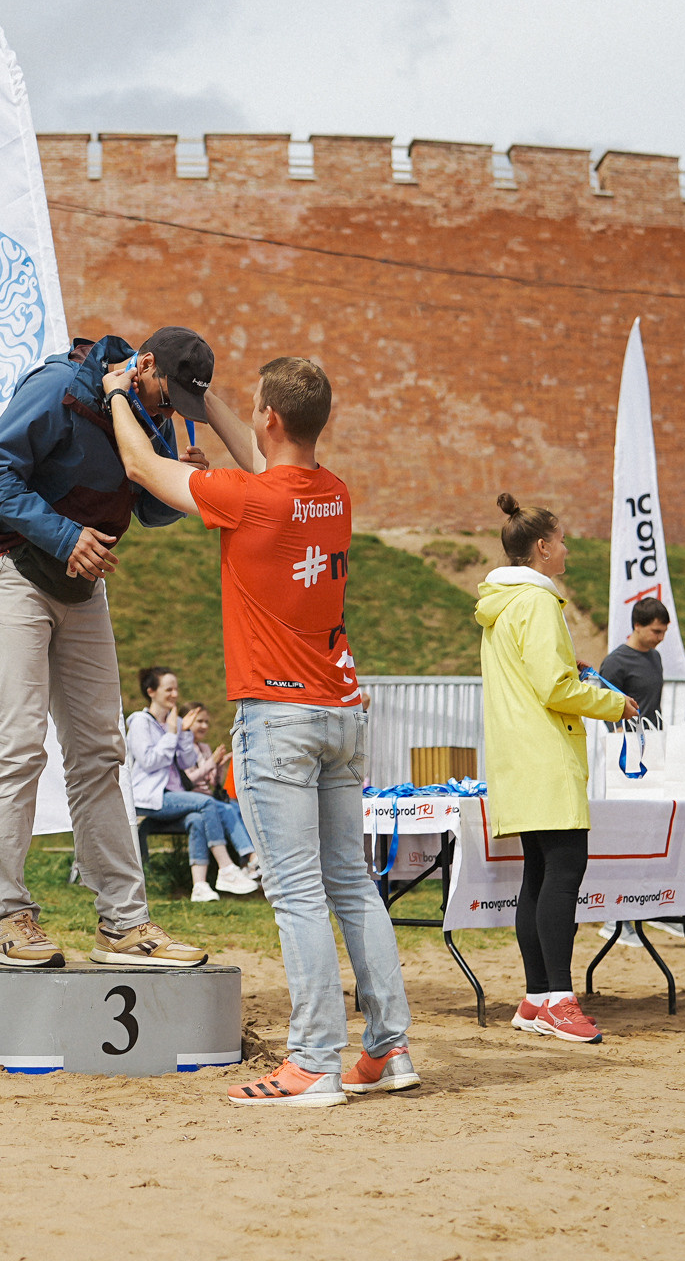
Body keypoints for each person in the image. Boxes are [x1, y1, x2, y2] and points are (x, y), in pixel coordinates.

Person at [109, 353, 418, 1108]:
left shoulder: (248, 500)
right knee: (351, 885)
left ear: (270, 418)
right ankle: (388, 1047)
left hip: (280, 720)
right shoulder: (331, 494)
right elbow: (266, 466)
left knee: (300, 895)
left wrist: (117, 393)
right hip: (342, 713)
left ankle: (313, 1061)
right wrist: (206, 399)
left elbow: (142, 467)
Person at [0, 327, 217, 970]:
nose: (169, 415)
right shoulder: (59, 389)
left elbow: (148, 504)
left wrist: (178, 483)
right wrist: (62, 534)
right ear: (146, 364)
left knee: (101, 754)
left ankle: (123, 925)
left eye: (181, 410)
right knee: (20, 743)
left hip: (80, 584)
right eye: (167, 397)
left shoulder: (142, 407)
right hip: (9, 569)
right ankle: (9, 918)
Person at [476, 494, 641, 1044]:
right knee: (564, 873)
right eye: (562, 538)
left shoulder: (502, 603)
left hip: (517, 756)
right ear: (542, 547)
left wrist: (575, 670)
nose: (567, 547)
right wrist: (613, 703)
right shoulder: (539, 603)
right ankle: (560, 1000)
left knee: (539, 875)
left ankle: (537, 996)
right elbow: (553, 687)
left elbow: (538, 675)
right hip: (545, 754)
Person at [125, 667, 258, 902]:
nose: (175, 694)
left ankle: (199, 886)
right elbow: (149, 761)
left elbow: (186, 761)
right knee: (207, 803)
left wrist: (183, 733)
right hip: (149, 797)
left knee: (197, 819)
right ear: (151, 692)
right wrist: (172, 734)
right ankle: (227, 868)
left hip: (173, 796)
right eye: (168, 689)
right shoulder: (139, 722)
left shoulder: (174, 722)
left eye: (176, 689)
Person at [594, 596, 670, 727]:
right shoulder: (615, 662)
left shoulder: (656, 657)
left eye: (664, 632)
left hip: (655, 739)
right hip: (629, 740)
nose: (661, 638)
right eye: (656, 631)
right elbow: (608, 706)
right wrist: (617, 732)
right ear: (638, 625)